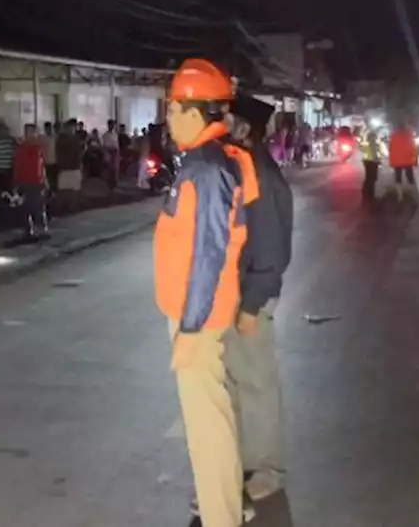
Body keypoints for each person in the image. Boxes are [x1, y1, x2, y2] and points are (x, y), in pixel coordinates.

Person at [154, 59, 259, 526]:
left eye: (173, 108)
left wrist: (191, 329)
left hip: (200, 316)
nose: (168, 118)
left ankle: (222, 517)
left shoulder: (208, 170)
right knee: (211, 421)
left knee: (207, 428)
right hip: (202, 312)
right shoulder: (206, 162)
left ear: (195, 113)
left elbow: (207, 254)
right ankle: (227, 509)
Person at [223, 94, 293, 504]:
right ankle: (244, 462)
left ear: (246, 128)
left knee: (257, 384)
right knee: (236, 382)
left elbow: (272, 250)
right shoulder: (241, 169)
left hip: (250, 296)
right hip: (233, 293)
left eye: (229, 120)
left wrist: (251, 305)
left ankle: (268, 469)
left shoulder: (261, 176)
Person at [12, 124, 49, 239]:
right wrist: (16, 182)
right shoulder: (21, 149)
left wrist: (45, 180)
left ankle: (41, 229)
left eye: (34, 132)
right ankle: (28, 230)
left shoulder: (38, 149)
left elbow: (42, 166)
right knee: (26, 207)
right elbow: (17, 166)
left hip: (37, 181)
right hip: (25, 181)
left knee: (38, 206)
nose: (33, 135)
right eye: (30, 132)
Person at [387, 121, 419, 200]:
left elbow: (391, 149)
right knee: (410, 177)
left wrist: (391, 162)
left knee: (398, 178)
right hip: (408, 160)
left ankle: (400, 196)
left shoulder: (393, 136)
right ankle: (415, 194)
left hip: (397, 161)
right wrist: (415, 161)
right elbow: (413, 148)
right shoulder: (409, 135)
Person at [358, 129, 380, 200]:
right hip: (372, 162)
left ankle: (366, 193)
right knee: (373, 178)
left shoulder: (365, 144)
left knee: (369, 177)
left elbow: (361, 149)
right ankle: (370, 194)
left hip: (366, 161)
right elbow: (374, 153)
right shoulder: (374, 143)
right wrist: (377, 160)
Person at [41, 121, 59, 192]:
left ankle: (54, 193)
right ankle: (51, 193)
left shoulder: (56, 137)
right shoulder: (42, 138)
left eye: (49, 128)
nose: (48, 130)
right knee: (49, 180)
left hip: (55, 162)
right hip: (46, 162)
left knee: (55, 180)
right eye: (47, 128)